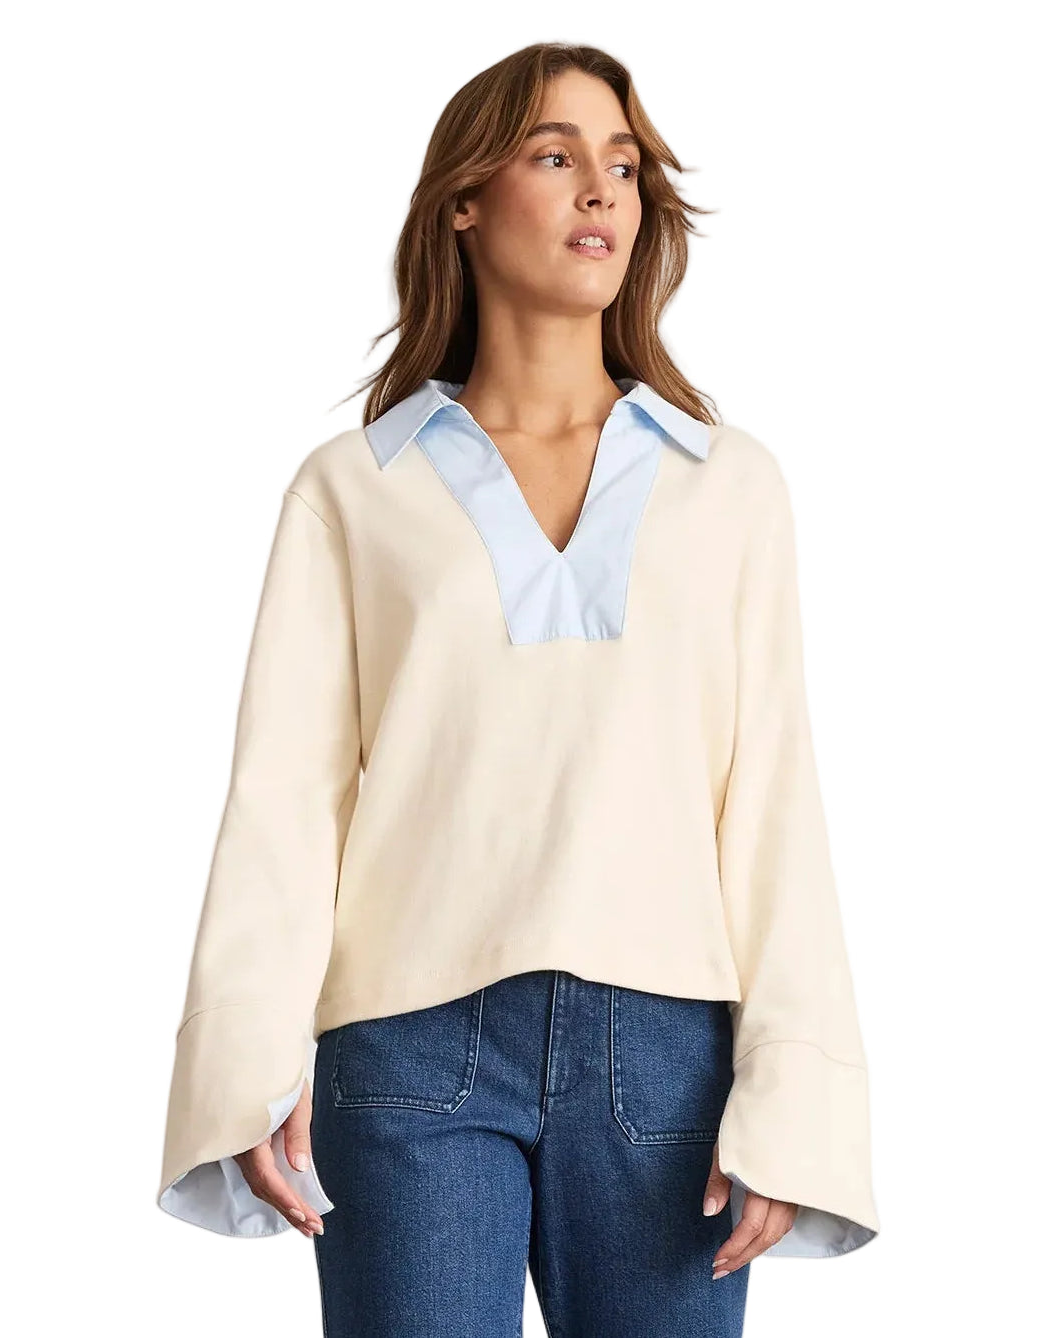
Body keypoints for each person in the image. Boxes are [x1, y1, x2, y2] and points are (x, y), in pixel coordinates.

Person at [157, 41, 880, 1336]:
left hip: (669, 1066)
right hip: (407, 1051)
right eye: (556, 155)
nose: (601, 189)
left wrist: (795, 1094)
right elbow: (286, 800)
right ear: (464, 202)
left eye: (624, 165)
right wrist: (246, 1057)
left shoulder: (727, 486)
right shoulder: (355, 489)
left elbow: (774, 797)